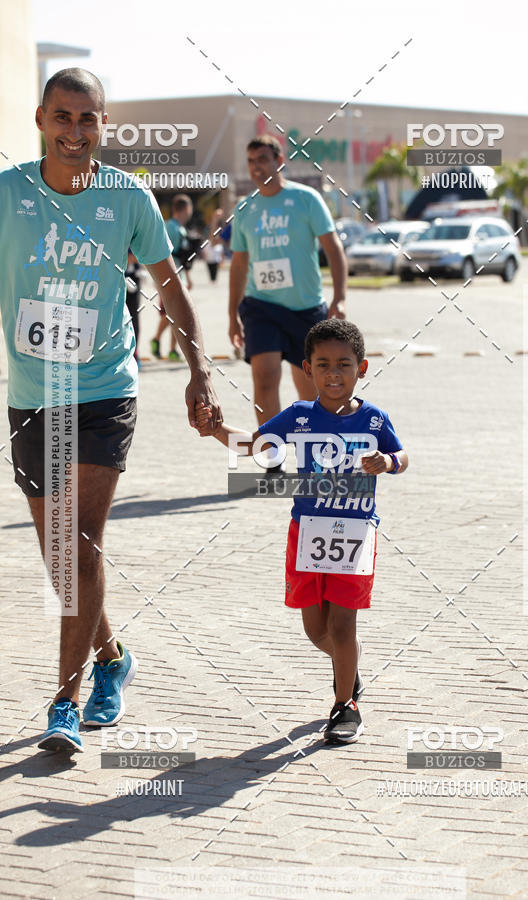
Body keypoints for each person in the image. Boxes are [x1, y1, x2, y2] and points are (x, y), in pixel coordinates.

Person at [0, 68, 221, 753]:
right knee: (59, 555)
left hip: (104, 389)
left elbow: (171, 289)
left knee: (80, 546)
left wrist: (199, 372)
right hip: (33, 395)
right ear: (41, 119)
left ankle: (63, 702)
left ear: (103, 124)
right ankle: (112, 658)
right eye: (63, 117)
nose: (75, 131)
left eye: (87, 118)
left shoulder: (128, 198)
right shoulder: (8, 194)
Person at [196, 319, 408, 743]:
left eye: (344, 364)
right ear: (307, 369)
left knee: (343, 624)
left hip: (355, 534)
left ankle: (345, 706)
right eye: (323, 364)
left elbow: (402, 456)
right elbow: (255, 446)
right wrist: (216, 429)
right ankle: (349, 664)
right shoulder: (299, 416)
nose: (334, 373)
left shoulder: (373, 419)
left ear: (362, 368)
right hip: (307, 535)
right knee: (317, 630)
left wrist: (387, 462)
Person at [228, 135, 347, 447]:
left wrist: (339, 297)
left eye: (262, 160)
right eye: (251, 161)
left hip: (306, 308)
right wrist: (232, 314)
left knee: (309, 389)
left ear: (279, 162)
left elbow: (333, 248)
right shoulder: (244, 208)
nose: (256, 167)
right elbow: (239, 265)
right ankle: (271, 452)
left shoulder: (306, 199)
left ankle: (314, 450)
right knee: (265, 377)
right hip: (261, 306)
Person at [150, 194, 194, 361]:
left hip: (179, 275)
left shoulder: (181, 229)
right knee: (171, 314)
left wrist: (187, 278)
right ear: (187, 209)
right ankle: (157, 340)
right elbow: (163, 253)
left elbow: (184, 258)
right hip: (167, 276)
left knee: (177, 314)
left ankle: (171, 349)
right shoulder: (170, 227)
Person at [125, 250, 141, 366]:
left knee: (133, 317)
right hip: (117, 277)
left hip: (133, 278)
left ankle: (134, 352)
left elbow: (142, 255)